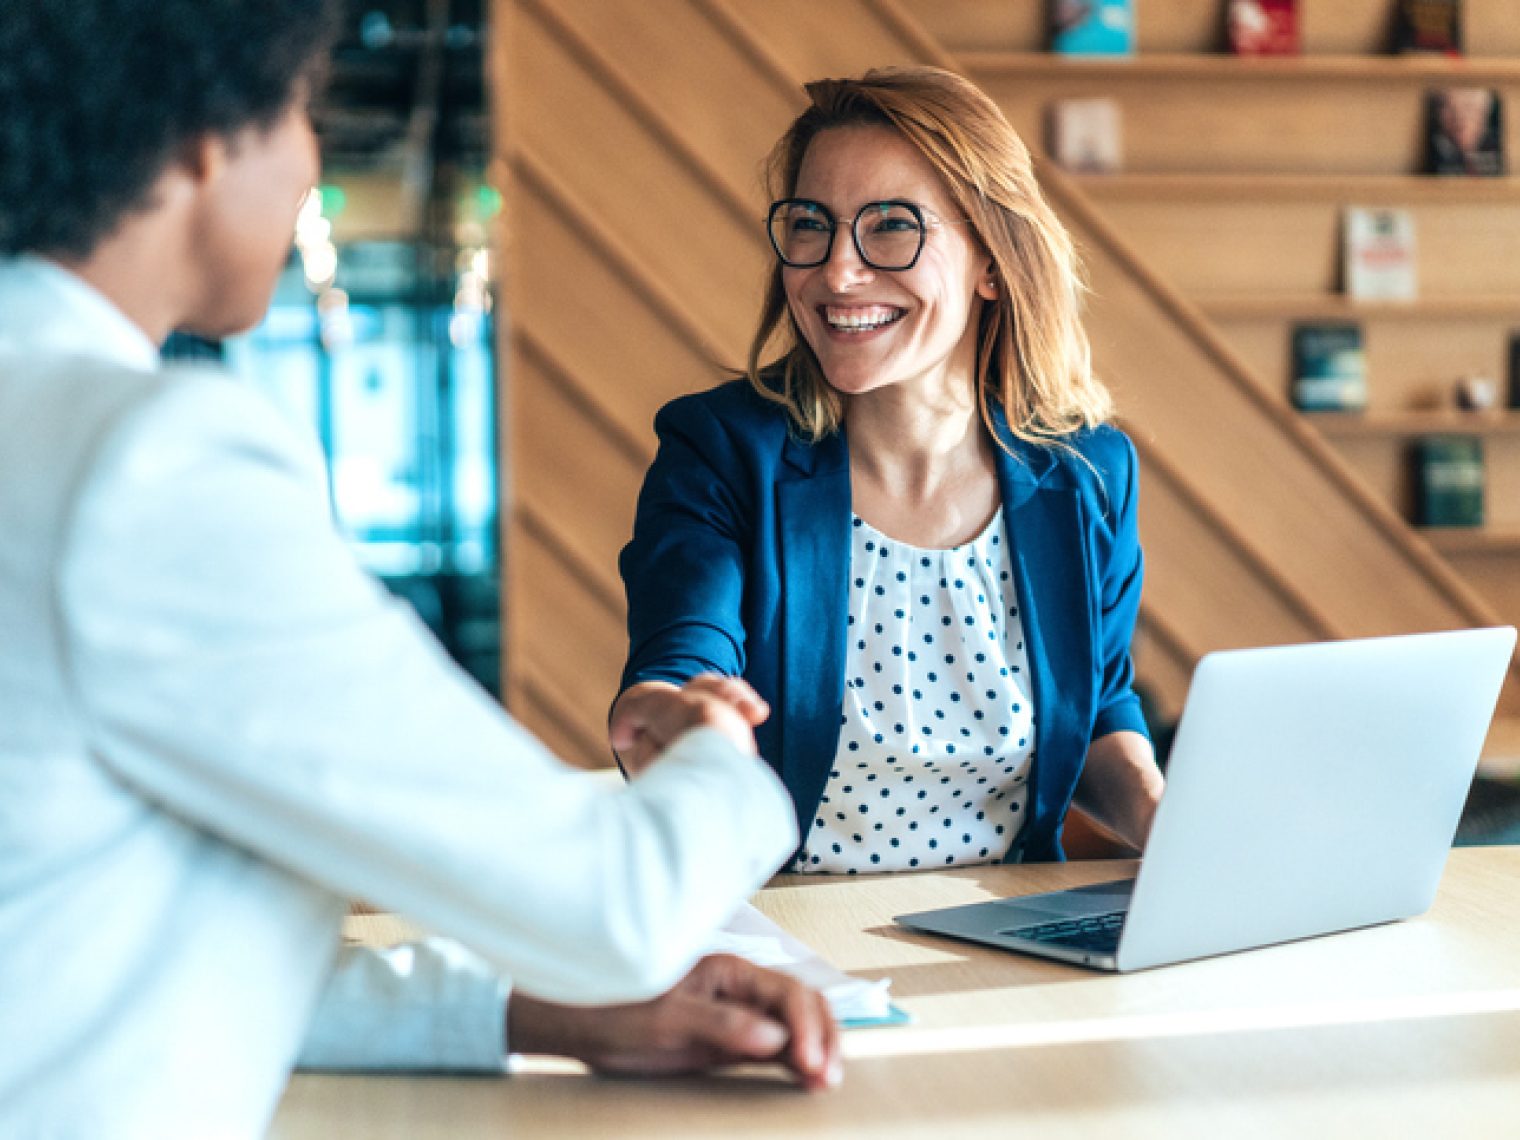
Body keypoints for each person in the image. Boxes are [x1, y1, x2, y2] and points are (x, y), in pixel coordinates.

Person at [0, 2, 839, 1136]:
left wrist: (535, 1014)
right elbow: (616, 906)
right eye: (302, 112)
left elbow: (71, 959)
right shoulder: (144, 463)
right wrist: (721, 757)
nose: (310, 162)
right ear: (204, 138)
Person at [612, 66, 1164, 874]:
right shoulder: (722, 449)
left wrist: (1163, 816)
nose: (837, 272)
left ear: (992, 261)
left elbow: (1101, 704)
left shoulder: (1089, 472)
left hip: (1007, 933)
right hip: (786, 936)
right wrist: (671, 717)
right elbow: (680, 659)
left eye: (893, 227)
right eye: (811, 225)